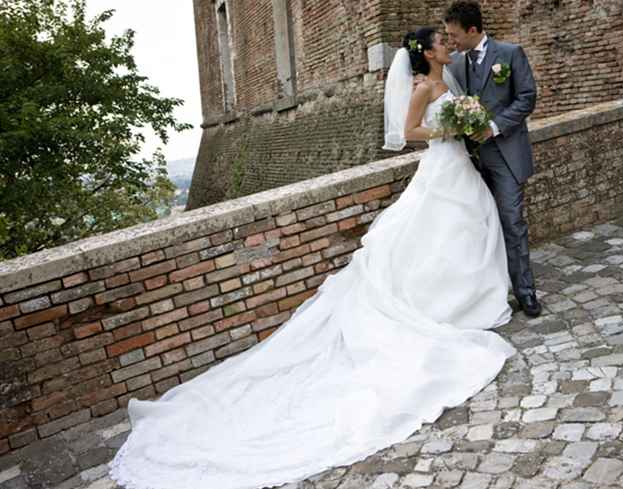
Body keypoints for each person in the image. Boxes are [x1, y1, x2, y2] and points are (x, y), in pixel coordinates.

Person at [108, 26, 516, 489]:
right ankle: (440, 307)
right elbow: (409, 132)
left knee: (465, 230)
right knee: (439, 235)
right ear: (424, 53)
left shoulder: (453, 81)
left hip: (458, 169)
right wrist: (447, 128)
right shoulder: (423, 86)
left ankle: (467, 297)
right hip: (440, 168)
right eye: (440, 41)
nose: (447, 44)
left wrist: (467, 122)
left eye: (448, 39)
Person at [445, 0, 543, 317]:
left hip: (507, 156)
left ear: (473, 30)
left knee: (512, 223)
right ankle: (492, 295)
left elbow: (527, 98)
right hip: (471, 162)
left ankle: (526, 292)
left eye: (455, 35)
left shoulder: (510, 54)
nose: (452, 42)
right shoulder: (456, 65)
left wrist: (494, 126)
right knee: (481, 229)